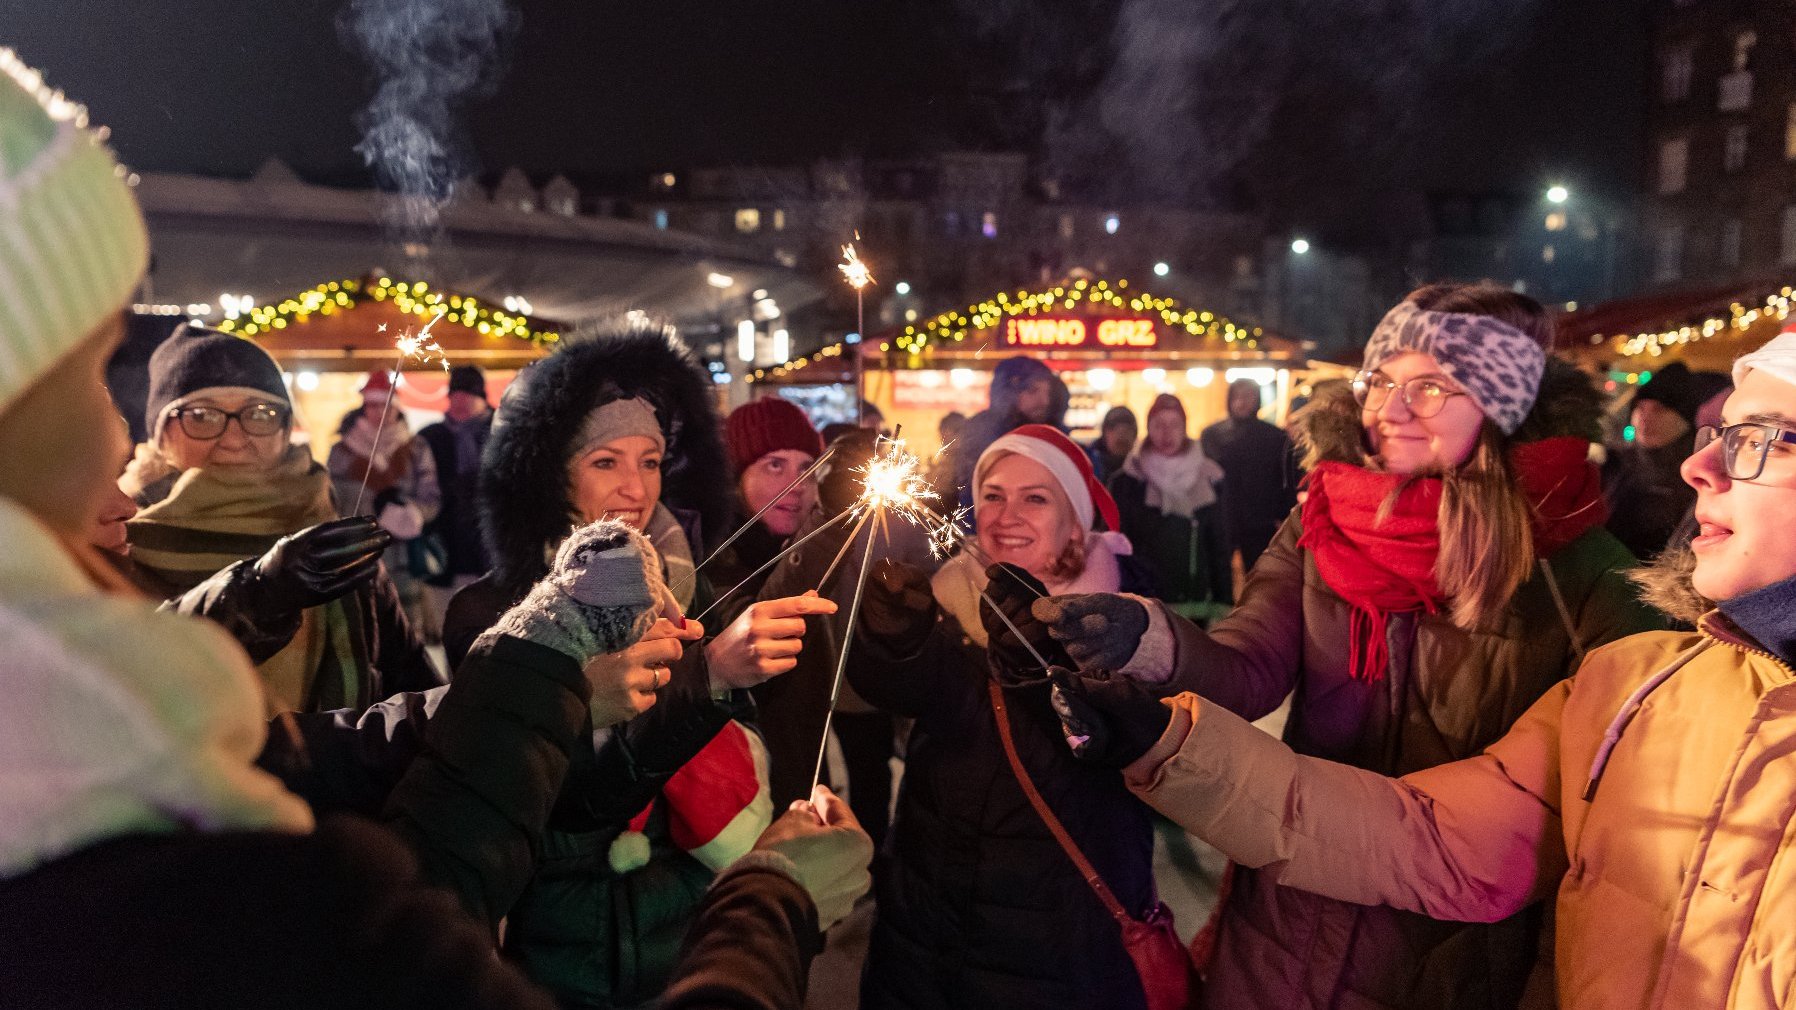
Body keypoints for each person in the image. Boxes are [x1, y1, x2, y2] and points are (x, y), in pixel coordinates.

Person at [1053, 325, 1796, 1010]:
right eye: (1381, 381)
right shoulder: (1644, 686)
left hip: (1446, 966)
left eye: (1768, 439)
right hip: (1291, 924)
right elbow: (1431, 837)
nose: (1701, 466)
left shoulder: (1583, 575)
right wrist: (1160, 720)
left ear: (1500, 408)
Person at [442, 330, 837, 1008]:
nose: (635, 487)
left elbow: (753, 742)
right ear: (549, 472)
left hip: (692, 924)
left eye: (651, 461)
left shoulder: (691, 585)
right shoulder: (492, 611)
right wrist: (705, 676)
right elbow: (548, 791)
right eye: (605, 462)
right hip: (561, 944)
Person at [851, 424, 1159, 1010]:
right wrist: (892, 638)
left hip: (1057, 931)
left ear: (1077, 519)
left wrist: (1034, 662)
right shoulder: (949, 595)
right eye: (993, 494)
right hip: (928, 908)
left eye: (1035, 498)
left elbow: (1112, 747)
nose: (1006, 514)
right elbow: (902, 691)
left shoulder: (1123, 620)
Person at [120, 325, 442, 713]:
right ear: (161, 432)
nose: (234, 439)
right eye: (202, 416)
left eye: (259, 413)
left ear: (286, 428)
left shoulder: (328, 536)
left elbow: (410, 681)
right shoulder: (115, 536)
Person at [329, 367, 442, 626]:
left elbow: (431, 497)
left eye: (386, 406)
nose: (380, 412)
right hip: (358, 554)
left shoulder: (415, 448)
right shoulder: (342, 451)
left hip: (402, 555)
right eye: (373, 406)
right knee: (362, 623)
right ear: (364, 407)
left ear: (397, 407)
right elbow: (331, 501)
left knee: (405, 626)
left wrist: (413, 512)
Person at [1109, 392, 1230, 609]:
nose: (1167, 433)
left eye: (1174, 424)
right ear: (1148, 427)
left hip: (1194, 599)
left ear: (1184, 427)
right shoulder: (1127, 480)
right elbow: (1117, 543)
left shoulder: (1209, 476)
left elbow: (1219, 543)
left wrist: (1224, 602)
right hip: (1141, 600)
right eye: (1159, 424)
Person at [1603, 361, 1731, 561]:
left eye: (1659, 409)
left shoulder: (1702, 473)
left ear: (1684, 418)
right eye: (1640, 407)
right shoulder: (1613, 464)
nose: (1645, 417)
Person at [416, 363, 494, 642]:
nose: (460, 404)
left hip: (490, 550)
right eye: (455, 397)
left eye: (467, 397)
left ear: (481, 398)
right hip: (443, 548)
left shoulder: (501, 432)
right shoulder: (430, 437)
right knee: (449, 630)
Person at [1201, 378, 1299, 572]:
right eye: (1237, 396)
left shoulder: (1275, 437)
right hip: (1220, 518)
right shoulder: (1212, 435)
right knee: (1218, 574)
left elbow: (1289, 476)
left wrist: (1283, 514)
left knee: (1260, 577)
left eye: (1249, 396)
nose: (1242, 401)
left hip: (1260, 521)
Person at [945, 355, 1061, 510]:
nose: (1044, 401)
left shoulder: (1046, 432)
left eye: (1047, 393)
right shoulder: (982, 432)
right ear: (1010, 392)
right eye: (1033, 391)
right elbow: (970, 494)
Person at [1086, 405, 1137, 483]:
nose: (1121, 435)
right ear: (1105, 433)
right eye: (1114, 430)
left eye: (1127, 431)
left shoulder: (1140, 472)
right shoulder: (1087, 465)